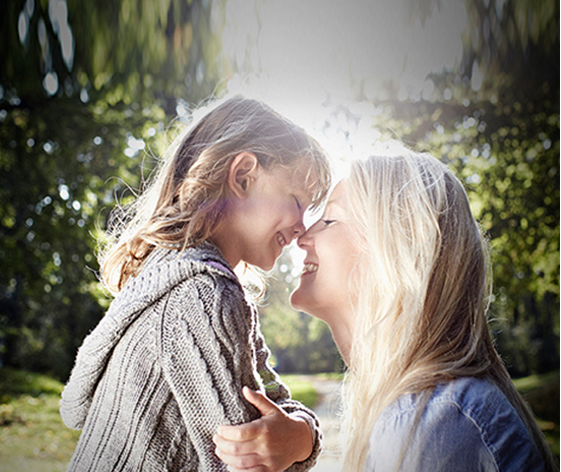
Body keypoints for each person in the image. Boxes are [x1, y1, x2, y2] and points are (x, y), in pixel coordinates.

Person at [215, 149, 557, 471]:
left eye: (330, 220)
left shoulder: (433, 419)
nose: (301, 237)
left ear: (395, 253)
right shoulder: (427, 411)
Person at [59, 95, 331, 471]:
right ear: (243, 177)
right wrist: (301, 442)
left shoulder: (173, 277)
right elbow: (250, 463)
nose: (302, 228)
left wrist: (303, 436)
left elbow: (275, 407)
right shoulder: (203, 296)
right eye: (298, 202)